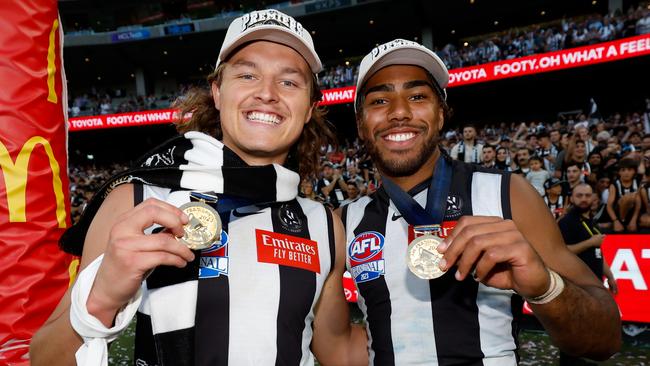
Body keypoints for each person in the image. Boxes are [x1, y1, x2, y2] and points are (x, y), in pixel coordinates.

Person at [31, 9, 367, 366]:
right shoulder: (137, 199)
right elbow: (44, 358)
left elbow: (339, 352)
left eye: (289, 82)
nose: (267, 93)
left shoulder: (323, 224)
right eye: (248, 74)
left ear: (310, 107)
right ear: (218, 92)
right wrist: (99, 300)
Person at [342, 38, 620, 365]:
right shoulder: (344, 221)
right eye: (379, 100)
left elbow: (607, 339)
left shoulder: (508, 193)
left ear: (442, 113)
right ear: (361, 124)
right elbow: (338, 343)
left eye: (417, 96)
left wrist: (544, 286)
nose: (400, 112)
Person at [557, 183, 618, 365]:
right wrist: (590, 242)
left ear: (593, 198)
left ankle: (582, 359)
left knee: (589, 327)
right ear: (572, 198)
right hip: (575, 285)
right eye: (579, 195)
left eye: (587, 195)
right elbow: (561, 252)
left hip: (594, 283)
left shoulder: (591, 221)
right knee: (572, 329)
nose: (584, 199)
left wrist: (610, 275)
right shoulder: (567, 222)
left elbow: (598, 252)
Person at [606, 158, 641, 233]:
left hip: (632, 214)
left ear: (634, 171)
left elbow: (638, 204)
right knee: (628, 198)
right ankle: (622, 221)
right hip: (618, 214)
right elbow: (609, 206)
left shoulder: (637, 182)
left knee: (633, 197)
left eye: (629, 170)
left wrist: (634, 220)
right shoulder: (614, 184)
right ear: (619, 172)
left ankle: (628, 222)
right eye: (623, 170)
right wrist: (615, 221)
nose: (626, 173)